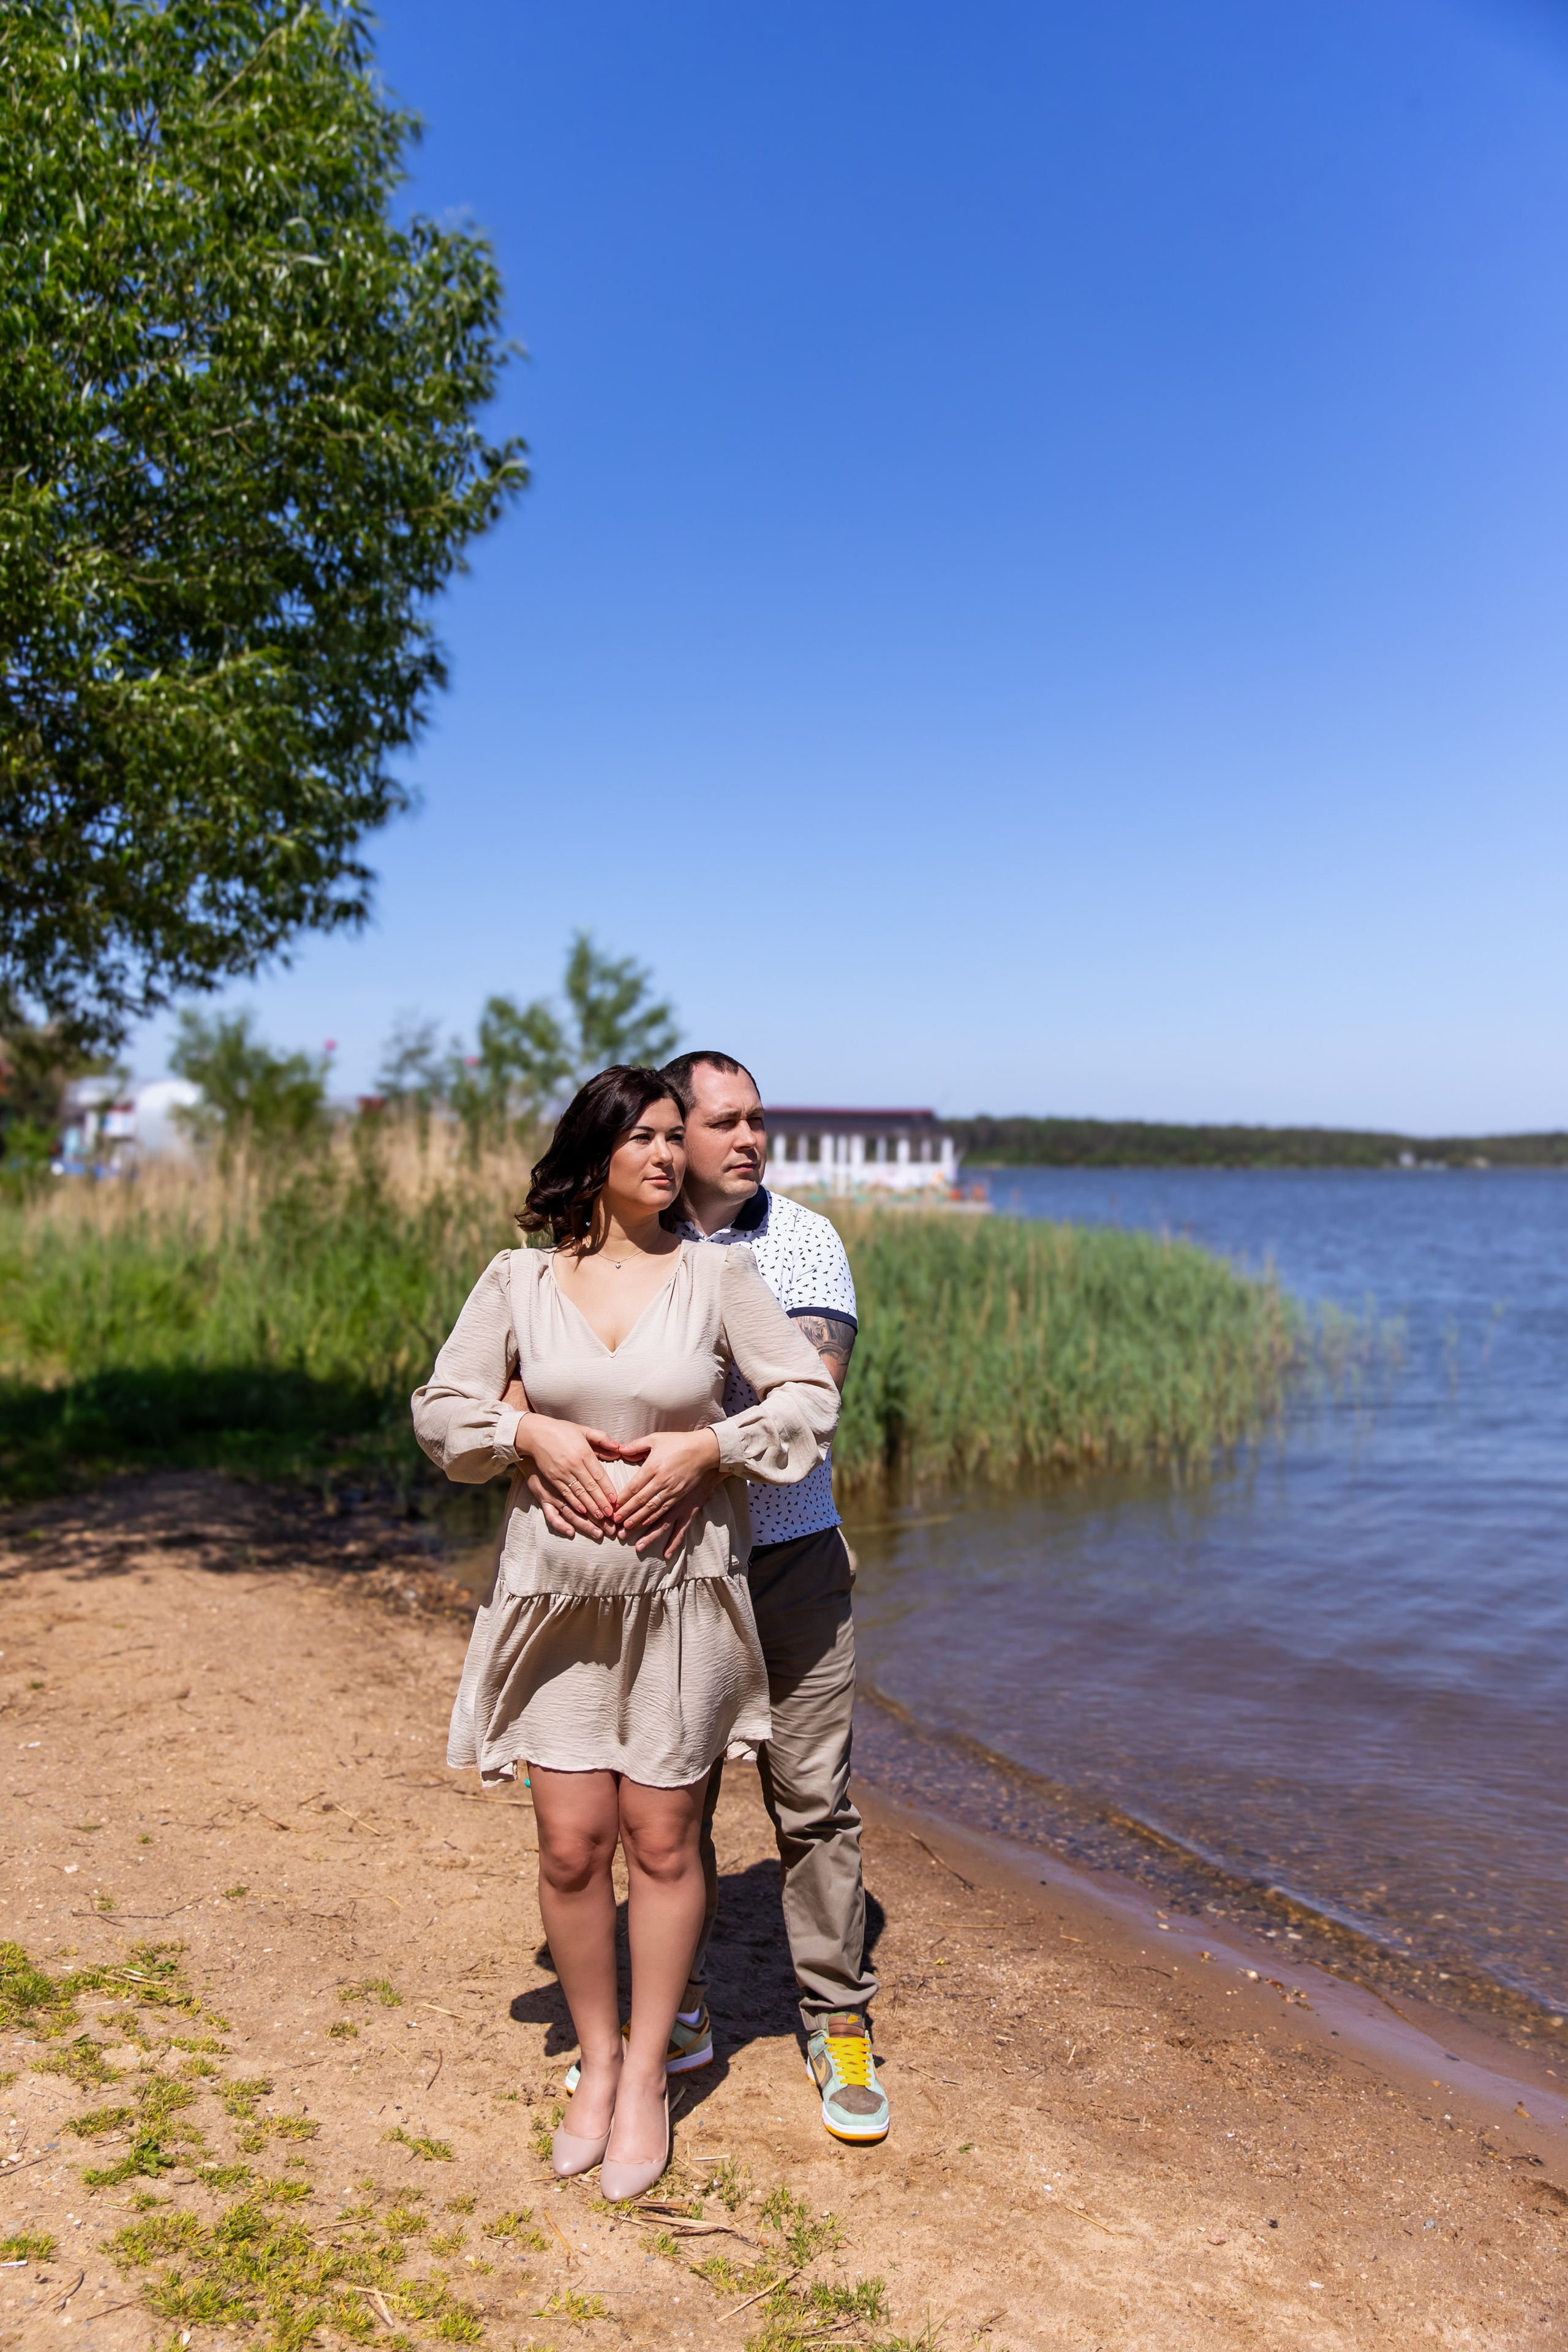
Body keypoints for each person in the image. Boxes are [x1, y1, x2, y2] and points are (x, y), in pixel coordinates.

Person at [411, 1065, 838, 2200]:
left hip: (680, 1602)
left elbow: (809, 1398)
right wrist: (526, 1433)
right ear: (593, 1156)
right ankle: (597, 2062)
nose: (664, 1154)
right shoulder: (516, 1280)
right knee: (570, 1846)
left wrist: (713, 1450)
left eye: (669, 1136)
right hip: (553, 1604)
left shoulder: (718, 1275)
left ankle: (649, 2073)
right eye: (641, 1138)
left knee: (661, 1841)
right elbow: (442, 1412)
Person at [517, 1051, 890, 2146]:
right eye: (719, 1123)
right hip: (663, 1572)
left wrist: (690, 1445)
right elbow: (531, 1371)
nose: (746, 1140)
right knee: (669, 1805)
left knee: (811, 1800)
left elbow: (813, 1390)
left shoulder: (801, 1240)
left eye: (755, 1120)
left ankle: (837, 2017)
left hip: (788, 1558)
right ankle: (677, 2010)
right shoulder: (621, 1237)